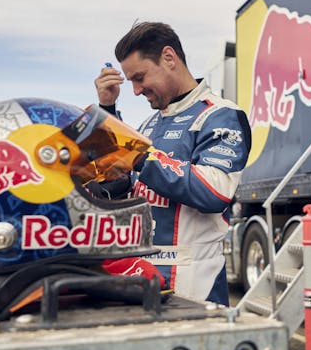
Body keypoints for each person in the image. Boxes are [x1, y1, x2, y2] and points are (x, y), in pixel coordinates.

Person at [94, 21, 251, 306]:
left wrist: (140, 155)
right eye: (130, 81)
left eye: (139, 77)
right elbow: (123, 190)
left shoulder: (221, 115)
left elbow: (213, 192)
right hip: (142, 274)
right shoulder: (148, 124)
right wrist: (107, 113)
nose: (137, 90)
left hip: (194, 280)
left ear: (169, 58)